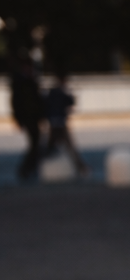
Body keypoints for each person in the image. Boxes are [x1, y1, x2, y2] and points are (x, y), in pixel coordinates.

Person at [44, 70, 88, 177]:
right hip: (60, 123)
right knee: (69, 147)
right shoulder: (61, 92)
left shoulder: (52, 92)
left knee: (50, 146)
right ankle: (81, 168)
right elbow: (71, 102)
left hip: (54, 122)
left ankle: (39, 166)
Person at [10, 47, 43, 180]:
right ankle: (26, 169)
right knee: (35, 144)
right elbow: (17, 102)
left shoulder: (29, 81)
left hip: (33, 117)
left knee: (35, 144)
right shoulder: (21, 83)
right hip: (28, 117)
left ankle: (29, 168)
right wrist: (18, 118)